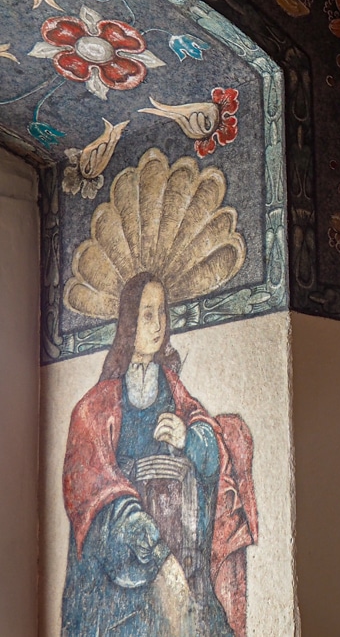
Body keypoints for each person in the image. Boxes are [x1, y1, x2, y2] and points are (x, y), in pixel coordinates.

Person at [61, 273, 256, 637]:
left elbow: (213, 448)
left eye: (162, 313)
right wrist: (156, 555)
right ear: (128, 322)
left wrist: (190, 439)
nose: (157, 325)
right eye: (147, 314)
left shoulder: (172, 388)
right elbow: (97, 494)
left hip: (181, 553)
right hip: (124, 573)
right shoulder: (95, 407)